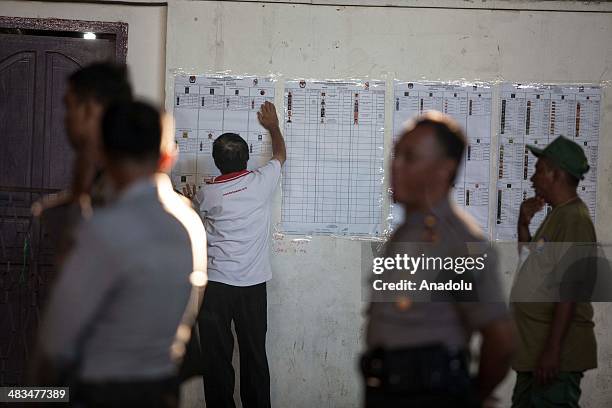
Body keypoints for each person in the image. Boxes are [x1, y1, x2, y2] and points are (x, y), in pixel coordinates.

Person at [37, 101, 207, 407]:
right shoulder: (190, 225)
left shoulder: (103, 229)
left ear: (101, 154)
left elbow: (55, 342)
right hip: (161, 391)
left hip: (100, 394)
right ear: (168, 156)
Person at [363, 111, 515, 408]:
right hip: (387, 389)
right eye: (396, 154)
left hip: (430, 392)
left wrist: (472, 397)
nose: (395, 166)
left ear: (444, 170)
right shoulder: (407, 231)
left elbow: (502, 340)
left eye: (410, 157)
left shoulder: (460, 243)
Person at [182, 101, 285, 408]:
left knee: (216, 359)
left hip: (215, 287)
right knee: (255, 356)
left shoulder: (208, 193)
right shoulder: (261, 182)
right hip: (253, 288)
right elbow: (280, 155)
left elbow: (196, 221)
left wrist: (189, 204)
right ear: (247, 158)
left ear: (216, 162)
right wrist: (273, 126)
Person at [511, 136, 597, 408]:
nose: (533, 179)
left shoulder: (575, 220)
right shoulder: (557, 215)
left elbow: (569, 291)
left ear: (555, 174)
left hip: (555, 357)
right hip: (534, 351)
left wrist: (552, 351)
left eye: (538, 170)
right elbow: (533, 266)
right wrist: (523, 226)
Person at [32, 62, 133, 267]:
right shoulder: (96, 174)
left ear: (91, 110)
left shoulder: (119, 189)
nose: (65, 119)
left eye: (69, 107)